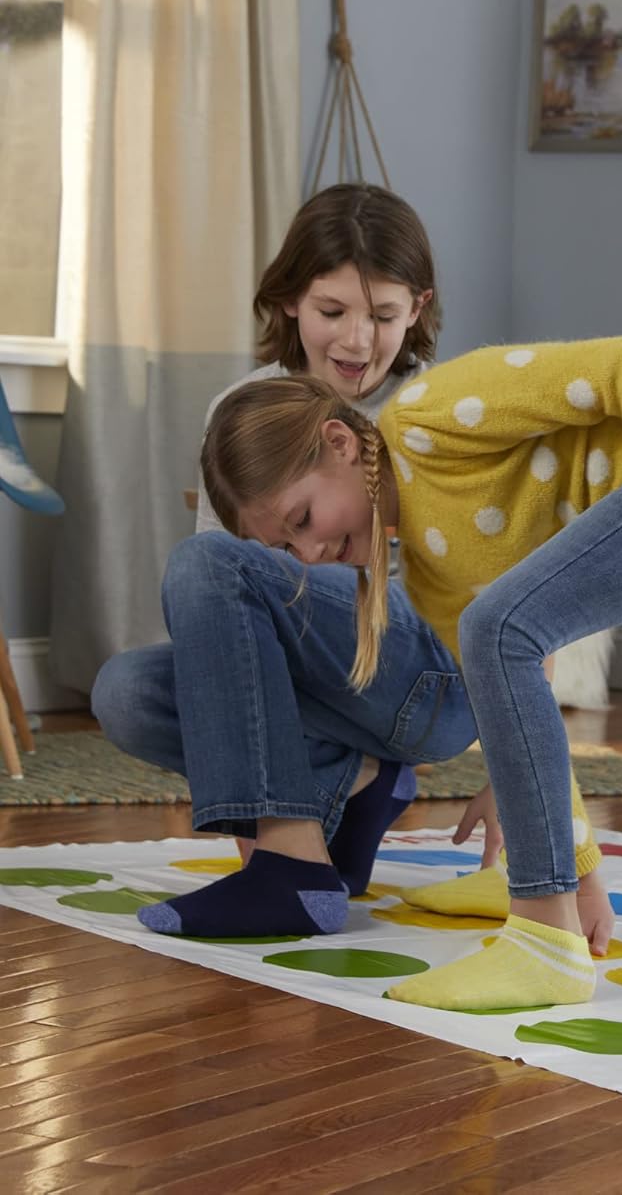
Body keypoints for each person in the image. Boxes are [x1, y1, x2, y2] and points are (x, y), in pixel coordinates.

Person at [190, 337, 622, 1012]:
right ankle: (552, 913)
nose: (309, 551)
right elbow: (518, 701)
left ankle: (542, 938)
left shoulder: (424, 418)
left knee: (496, 628)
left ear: (339, 443)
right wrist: (584, 875)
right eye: (286, 546)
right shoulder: (431, 575)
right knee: (500, 638)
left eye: (302, 519)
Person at [92, 183, 473, 916]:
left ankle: (289, 869)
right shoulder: (243, 411)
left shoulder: (439, 413)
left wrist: (523, 772)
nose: (357, 342)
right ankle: (349, 797)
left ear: (417, 310)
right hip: (315, 682)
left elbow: (524, 581)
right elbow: (218, 636)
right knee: (128, 692)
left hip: (428, 674)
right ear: (291, 299)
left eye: (384, 316)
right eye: (333, 312)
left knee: (208, 565)